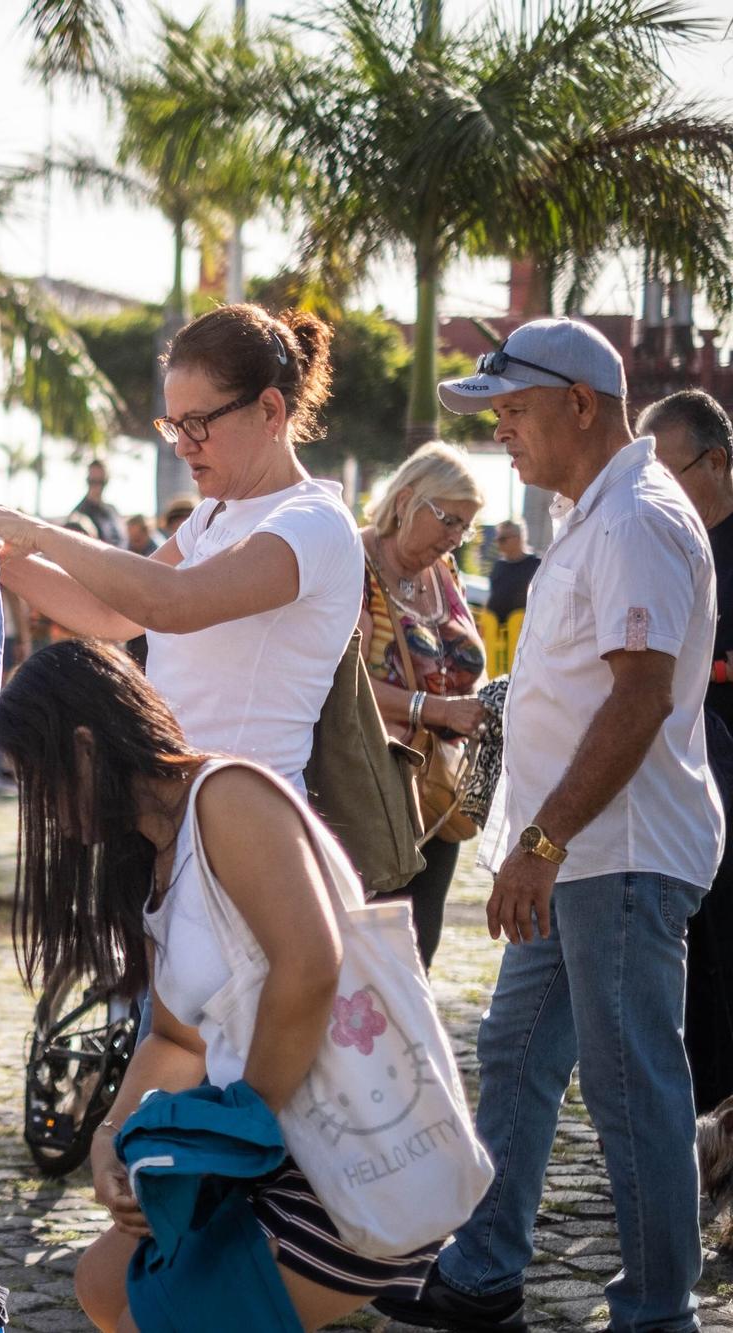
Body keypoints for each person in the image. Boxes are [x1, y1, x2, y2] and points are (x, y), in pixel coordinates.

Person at [377, 319, 724, 1333]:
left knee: (629, 1090)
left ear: (580, 403)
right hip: (578, 853)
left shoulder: (634, 519)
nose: (501, 436)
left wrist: (539, 842)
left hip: (608, 855)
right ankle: (483, 1269)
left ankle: (659, 1313)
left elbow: (637, 699)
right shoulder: (594, 512)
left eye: (512, 412)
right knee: (518, 1051)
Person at [0, 640, 441, 1332]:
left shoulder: (227, 796)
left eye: (40, 782)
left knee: (157, 1315)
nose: (43, 811)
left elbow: (311, 962)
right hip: (273, 1149)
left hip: (349, 1158)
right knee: (101, 1283)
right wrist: (109, 1136)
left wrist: (237, 1131)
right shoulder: (156, 862)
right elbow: (178, 1037)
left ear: (85, 747)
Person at [0, 304, 361, 790]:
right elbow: (111, 614)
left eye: (197, 422)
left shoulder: (315, 522)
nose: (181, 446)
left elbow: (173, 602)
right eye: (174, 425)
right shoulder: (213, 514)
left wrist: (42, 534)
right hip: (180, 809)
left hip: (248, 824)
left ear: (270, 411)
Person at [358, 442, 489, 969]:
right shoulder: (354, 561)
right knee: (375, 948)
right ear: (407, 499)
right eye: (450, 520)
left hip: (437, 788)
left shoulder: (445, 572)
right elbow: (345, 683)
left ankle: (407, 1052)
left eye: (466, 527)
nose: (456, 537)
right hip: (374, 785)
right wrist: (438, 712)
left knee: (421, 946)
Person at [641, 388, 733, 1112]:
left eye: (668, 474)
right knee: (693, 970)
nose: (657, 494)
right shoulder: (659, 543)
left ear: (717, 463)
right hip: (679, 795)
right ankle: (699, 1136)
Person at [485, 518, 541, 623]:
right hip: (496, 633)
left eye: (503, 539)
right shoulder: (499, 565)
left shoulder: (536, 565)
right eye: (497, 539)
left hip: (521, 631)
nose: (498, 543)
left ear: (518, 538)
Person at [73, 459, 127, 546]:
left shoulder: (112, 510)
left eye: (101, 482)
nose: (97, 487)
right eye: (93, 481)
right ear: (87, 480)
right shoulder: (79, 514)